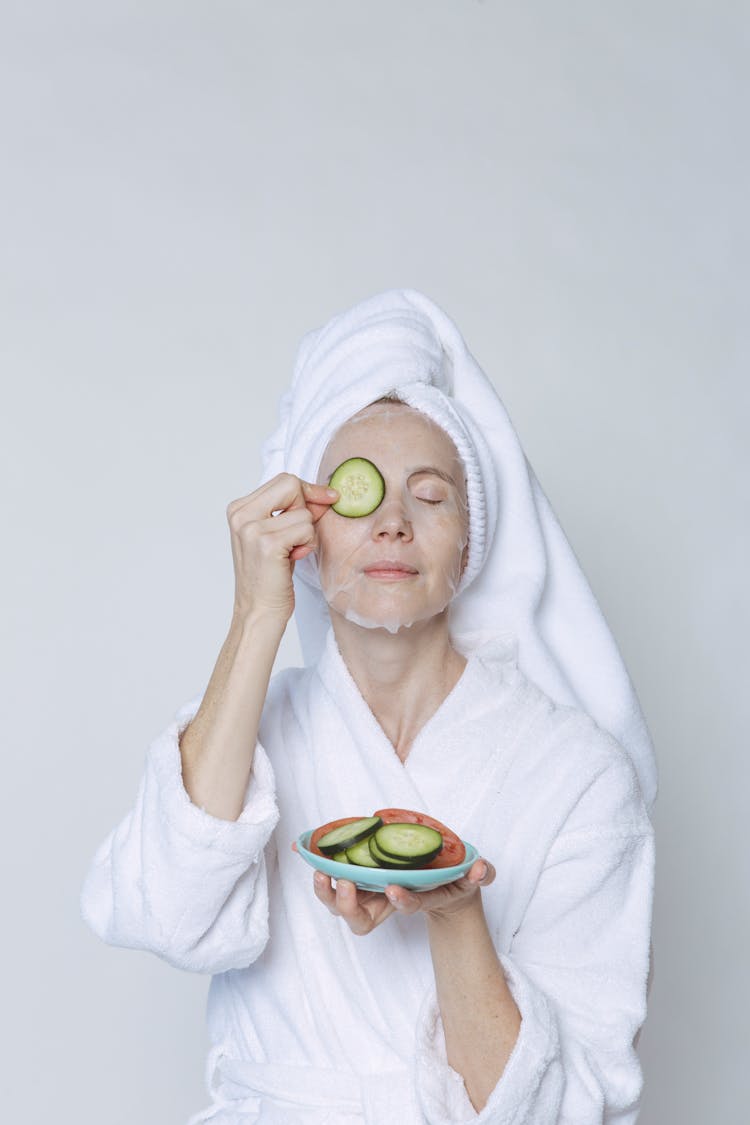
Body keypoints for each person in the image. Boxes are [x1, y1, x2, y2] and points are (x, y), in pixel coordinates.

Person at [81, 289, 657, 1124]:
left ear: (474, 540)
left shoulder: (576, 772)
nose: (391, 521)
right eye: (359, 494)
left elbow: (561, 1109)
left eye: (429, 495)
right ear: (309, 537)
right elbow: (167, 916)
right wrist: (257, 615)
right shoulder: (251, 734)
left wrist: (458, 917)